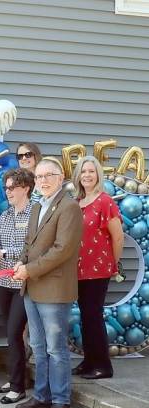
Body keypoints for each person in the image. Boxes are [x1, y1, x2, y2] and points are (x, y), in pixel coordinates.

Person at [13, 157, 83, 408]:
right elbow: (29, 243)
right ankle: (41, 395)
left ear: (61, 177)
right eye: (39, 176)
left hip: (53, 289)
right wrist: (21, 261)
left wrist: (30, 269)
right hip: (31, 288)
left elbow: (62, 249)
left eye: (48, 176)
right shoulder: (36, 207)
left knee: (56, 349)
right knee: (38, 346)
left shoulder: (69, 207)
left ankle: (61, 400)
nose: (42, 181)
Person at [0, 168, 35, 404]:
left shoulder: (36, 214)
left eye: (12, 187)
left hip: (24, 284)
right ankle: (15, 379)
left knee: (14, 332)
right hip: (2, 281)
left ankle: (18, 387)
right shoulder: (4, 215)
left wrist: (2, 253)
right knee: (9, 333)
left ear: (26, 188)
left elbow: (30, 251)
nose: (8, 192)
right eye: (6, 188)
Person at [71, 156, 124, 380]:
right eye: (83, 172)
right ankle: (89, 360)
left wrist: (113, 263)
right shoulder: (76, 202)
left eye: (91, 171)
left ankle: (103, 365)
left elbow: (118, 237)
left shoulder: (105, 201)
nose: (87, 175)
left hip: (98, 269)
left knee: (93, 315)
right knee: (85, 316)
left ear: (98, 175)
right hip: (78, 270)